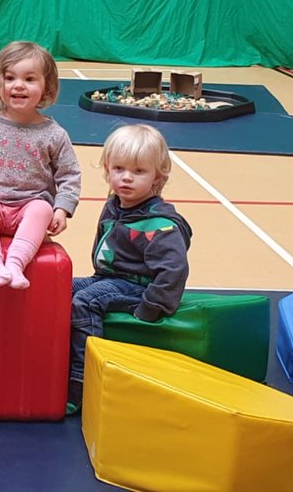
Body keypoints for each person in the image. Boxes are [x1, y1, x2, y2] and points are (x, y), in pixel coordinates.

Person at [67, 124, 192, 414]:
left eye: (138, 172)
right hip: (109, 277)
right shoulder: (115, 204)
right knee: (59, 287)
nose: (126, 177)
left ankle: (82, 381)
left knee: (85, 302)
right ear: (107, 170)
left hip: (139, 285)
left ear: (157, 177)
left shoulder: (160, 224)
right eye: (119, 168)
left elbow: (174, 271)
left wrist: (150, 308)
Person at [0, 41, 81, 289]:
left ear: (46, 87)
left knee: (42, 209)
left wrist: (61, 209)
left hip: (30, 204)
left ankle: (16, 264)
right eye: (10, 78)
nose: (18, 85)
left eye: (30, 79)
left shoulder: (54, 134)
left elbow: (70, 175)